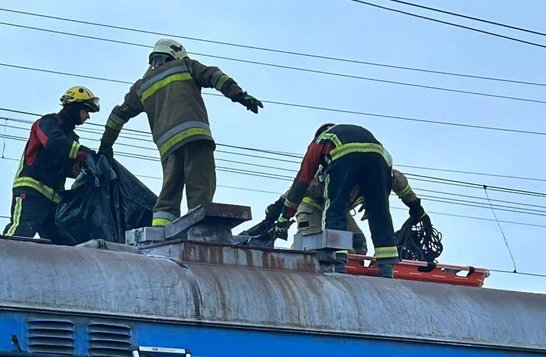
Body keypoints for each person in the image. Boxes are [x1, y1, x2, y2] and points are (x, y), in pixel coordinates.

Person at [99, 38, 263, 227]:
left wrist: (105, 146)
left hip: (168, 148)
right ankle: (199, 229)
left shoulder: (142, 86)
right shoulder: (185, 65)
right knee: (200, 188)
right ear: (176, 53)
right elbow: (214, 76)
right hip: (195, 138)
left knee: (169, 193)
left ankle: (159, 230)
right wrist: (239, 95)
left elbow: (117, 116)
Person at [275, 123, 427, 278]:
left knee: (357, 241)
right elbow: (297, 189)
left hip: (339, 211)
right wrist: (281, 215)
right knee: (312, 242)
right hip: (312, 208)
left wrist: (416, 208)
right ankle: (312, 268)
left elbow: (401, 185)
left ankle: (365, 266)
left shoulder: (330, 152)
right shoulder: (320, 176)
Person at [3, 86, 100, 239]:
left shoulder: (71, 137)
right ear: (75, 107)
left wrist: (80, 167)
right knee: (21, 232)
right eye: (86, 110)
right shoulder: (48, 123)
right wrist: (84, 153)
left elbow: (66, 167)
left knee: (61, 244)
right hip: (32, 191)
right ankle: (0, 252)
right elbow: (53, 142)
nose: (87, 116)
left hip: (54, 200)